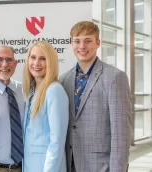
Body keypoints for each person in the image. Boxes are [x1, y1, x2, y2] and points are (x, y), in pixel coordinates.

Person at [59, 21, 132, 172]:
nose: (82, 46)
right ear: (71, 43)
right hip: (70, 163)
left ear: (98, 43)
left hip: (101, 165)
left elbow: (121, 132)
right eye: (77, 41)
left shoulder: (115, 77)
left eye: (88, 41)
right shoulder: (64, 79)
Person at [23, 41, 69, 172]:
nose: (36, 63)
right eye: (33, 57)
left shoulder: (54, 90)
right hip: (29, 165)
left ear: (51, 63)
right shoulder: (31, 90)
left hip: (45, 166)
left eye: (43, 58)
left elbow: (57, 141)